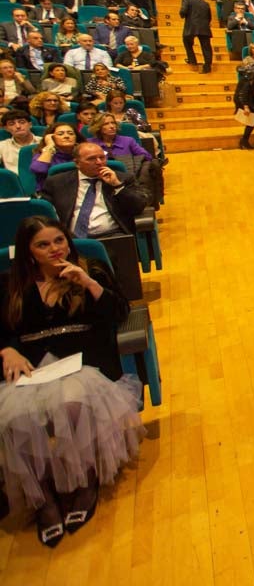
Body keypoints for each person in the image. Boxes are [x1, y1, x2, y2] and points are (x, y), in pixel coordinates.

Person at [0, 216, 144, 548]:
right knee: (15, 418)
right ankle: (44, 500)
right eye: (43, 245)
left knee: (72, 405)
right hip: (33, 366)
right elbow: (5, 329)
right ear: (28, 252)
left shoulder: (89, 269)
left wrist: (90, 285)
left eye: (59, 241)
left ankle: (86, 483)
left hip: (83, 362)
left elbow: (118, 312)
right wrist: (7, 349)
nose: (54, 249)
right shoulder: (11, 286)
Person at [41, 142, 149, 239]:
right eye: (91, 159)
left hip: (113, 236)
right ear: (77, 163)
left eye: (102, 157)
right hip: (72, 241)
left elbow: (138, 207)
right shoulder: (57, 182)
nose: (99, 162)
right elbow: (45, 213)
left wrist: (117, 185)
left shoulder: (122, 178)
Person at [30, 123, 78, 190]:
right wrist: (50, 145)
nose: (66, 136)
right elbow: (39, 170)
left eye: (71, 133)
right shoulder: (44, 154)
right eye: (60, 134)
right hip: (51, 192)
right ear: (52, 138)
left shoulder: (83, 153)